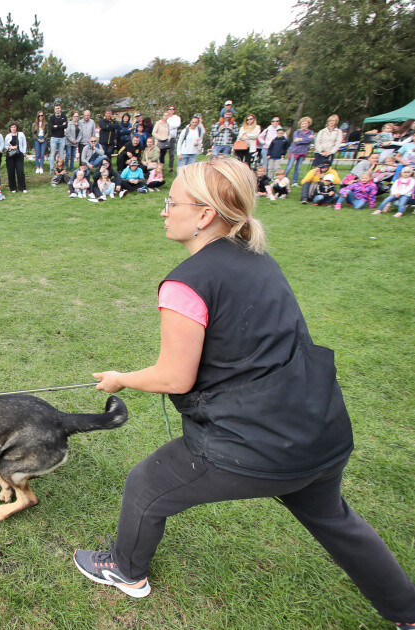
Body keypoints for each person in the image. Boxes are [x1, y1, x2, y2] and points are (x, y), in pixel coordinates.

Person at [75, 157, 415, 630]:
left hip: (258, 445)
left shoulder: (185, 283)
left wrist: (121, 378)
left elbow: (175, 377)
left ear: (205, 215)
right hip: (319, 431)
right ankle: (408, 613)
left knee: (146, 485)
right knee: (335, 519)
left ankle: (125, 570)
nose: (163, 210)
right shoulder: (256, 256)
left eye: (172, 202)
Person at [286, 117, 315, 183]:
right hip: (294, 151)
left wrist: (301, 139)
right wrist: (306, 139)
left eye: (305, 123)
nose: (304, 125)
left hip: (303, 152)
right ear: (300, 124)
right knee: (289, 167)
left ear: (308, 124)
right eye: (303, 123)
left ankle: (294, 182)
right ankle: (283, 179)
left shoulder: (311, 132)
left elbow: (310, 140)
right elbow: (296, 141)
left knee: (298, 168)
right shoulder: (296, 132)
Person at [3, 121, 27, 193]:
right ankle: (13, 188)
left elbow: (24, 143)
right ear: (10, 128)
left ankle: (22, 187)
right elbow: (5, 146)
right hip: (10, 155)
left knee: (20, 171)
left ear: (16, 128)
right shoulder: (8, 136)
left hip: (19, 155)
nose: (13, 128)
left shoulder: (21, 134)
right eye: (12, 127)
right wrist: (11, 147)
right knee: (11, 171)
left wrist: (23, 152)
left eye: (14, 127)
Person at [48, 104, 68, 173]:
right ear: (54, 109)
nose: (57, 109)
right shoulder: (52, 117)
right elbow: (51, 127)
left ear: (60, 109)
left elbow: (65, 126)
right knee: (52, 154)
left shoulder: (64, 116)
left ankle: (61, 168)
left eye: (58, 108)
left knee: (61, 154)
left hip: (62, 138)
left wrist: (57, 126)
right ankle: (52, 169)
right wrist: (61, 126)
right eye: (56, 108)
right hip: (54, 138)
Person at [165, 106, 181, 173]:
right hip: (164, 136)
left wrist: (169, 126)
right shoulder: (165, 117)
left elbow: (177, 125)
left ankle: (170, 167)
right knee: (162, 153)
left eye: (173, 109)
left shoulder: (176, 117)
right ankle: (161, 167)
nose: (171, 110)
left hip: (172, 137)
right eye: (170, 109)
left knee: (171, 153)